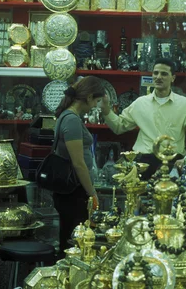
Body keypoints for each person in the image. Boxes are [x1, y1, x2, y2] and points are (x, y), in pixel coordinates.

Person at [100, 57, 186, 179]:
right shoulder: (140, 103)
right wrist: (106, 108)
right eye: (156, 73)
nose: (158, 77)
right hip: (143, 162)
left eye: (164, 74)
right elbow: (119, 126)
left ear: (173, 78)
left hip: (172, 163)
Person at [52, 76, 104, 258]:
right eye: (97, 101)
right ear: (89, 97)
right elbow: (79, 163)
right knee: (73, 243)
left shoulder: (68, 116)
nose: (96, 105)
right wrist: (92, 193)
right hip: (74, 192)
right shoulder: (71, 119)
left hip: (71, 191)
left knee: (70, 238)